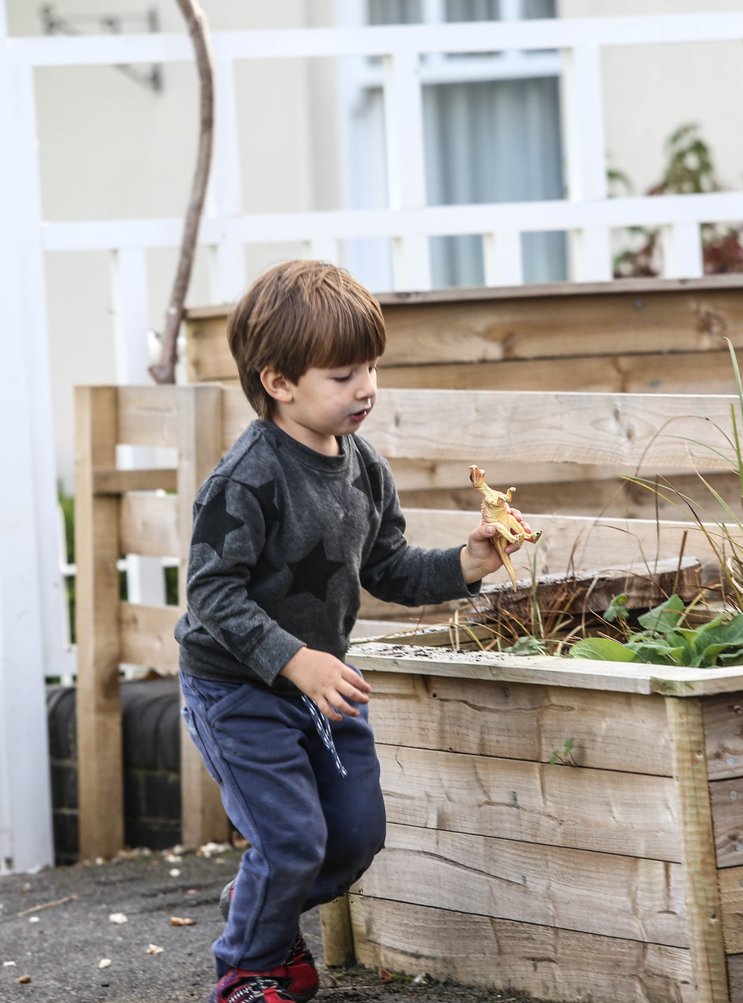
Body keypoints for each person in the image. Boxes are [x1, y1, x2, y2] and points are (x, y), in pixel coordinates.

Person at [174, 259, 526, 1003]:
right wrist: (292, 659)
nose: (365, 387)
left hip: (324, 686)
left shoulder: (365, 468)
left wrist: (467, 561)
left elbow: (391, 567)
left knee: (356, 833)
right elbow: (209, 591)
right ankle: (246, 966)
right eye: (343, 374)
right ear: (279, 382)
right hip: (239, 688)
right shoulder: (246, 478)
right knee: (292, 841)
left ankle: (260, 914)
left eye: (371, 368)